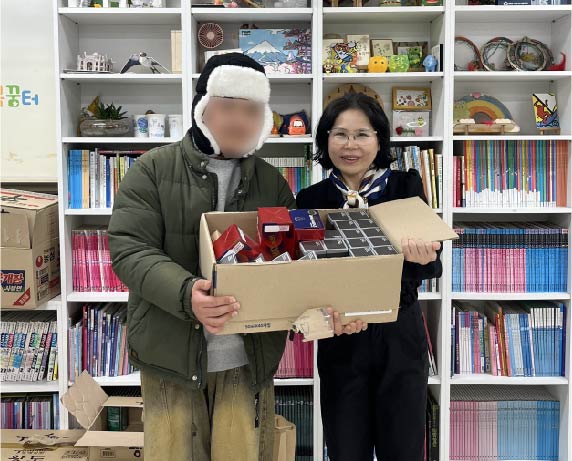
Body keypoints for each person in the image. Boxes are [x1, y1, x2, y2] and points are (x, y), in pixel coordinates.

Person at [108, 53, 296, 461]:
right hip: (169, 355)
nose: (240, 121)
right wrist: (186, 293)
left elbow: (289, 261)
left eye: (252, 110)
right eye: (228, 106)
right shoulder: (152, 170)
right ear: (202, 107)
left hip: (247, 358)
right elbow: (129, 249)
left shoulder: (272, 182)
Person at [296, 92, 442, 461]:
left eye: (362, 134)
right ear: (325, 139)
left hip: (399, 331)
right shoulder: (310, 198)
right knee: (346, 448)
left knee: (403, 449)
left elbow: (430, 267)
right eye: (340, 134)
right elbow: (304, 274)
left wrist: (424, 255)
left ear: (379, 140)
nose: (350, 145)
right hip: (340, 335)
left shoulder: (405, 187)